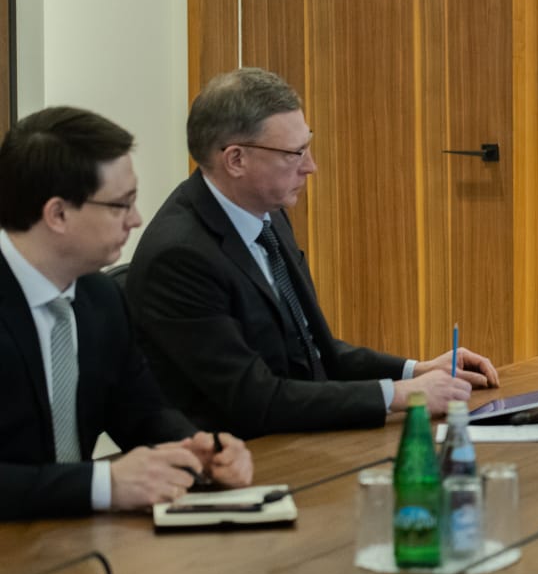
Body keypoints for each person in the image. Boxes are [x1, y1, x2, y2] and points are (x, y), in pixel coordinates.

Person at [128, 68, 500, 438]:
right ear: (236, 160)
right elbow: (254, 400)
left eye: (307, 145)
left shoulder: (268, 213)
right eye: (295, 153)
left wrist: (415, 370)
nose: (311, 166)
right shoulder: (180, 256)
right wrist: (401, 395)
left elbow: (314, 352)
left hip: (297, 434)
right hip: (235, 454)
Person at [0, 107, 254, 520]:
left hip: (76, 539)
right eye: (121, 205)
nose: (136, 221)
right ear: (58, 214)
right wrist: (103, 485)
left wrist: (200, 450)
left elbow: (142, 413)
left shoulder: (101, 297)